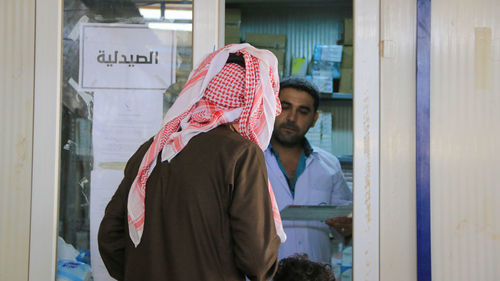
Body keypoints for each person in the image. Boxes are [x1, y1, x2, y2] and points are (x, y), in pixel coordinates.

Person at [98, 44, 286, 281]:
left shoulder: (152, 149)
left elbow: (110, 236)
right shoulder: (242, 154)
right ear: (256, 102)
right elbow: (257, 260)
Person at [264, 77, 352, 265]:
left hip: (316, 273)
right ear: (271, 108)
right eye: (285, 107)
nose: (291, 118)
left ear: (314, 119)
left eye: (303, 111)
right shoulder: (249, 161)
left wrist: (349, 226)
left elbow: (347, 227)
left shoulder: (329, 166)